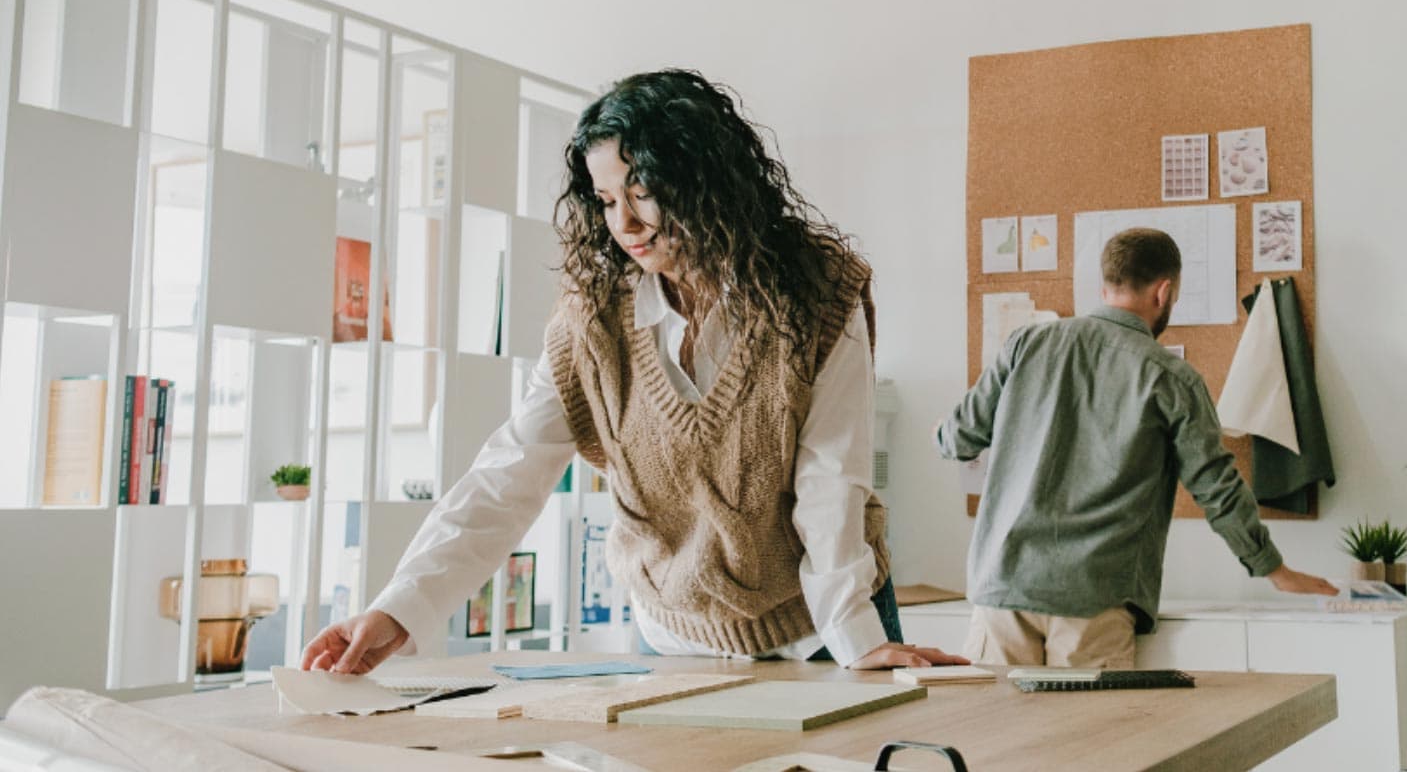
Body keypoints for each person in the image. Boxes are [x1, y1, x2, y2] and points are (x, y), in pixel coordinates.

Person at [303, 69, 964, 674]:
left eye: (643, 193)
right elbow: (509, 474)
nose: (624, 223)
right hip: (672, 636)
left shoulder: (816, 292)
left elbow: (830, 477)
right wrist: (399, 608)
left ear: (707, 180)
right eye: (606, 199)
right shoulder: (591, 323)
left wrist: (855, 638)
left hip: (821, 625)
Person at [935, 227, 1336, 669]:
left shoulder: (1026, 344)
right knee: (1091, 739)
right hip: (1094, 597)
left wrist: (947, 429)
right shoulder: (1171, 377)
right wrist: (1273, 569)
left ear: (1105, 285)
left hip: (1003, 589)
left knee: (1000, 737)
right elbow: (1216, 486)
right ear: (1164, 292)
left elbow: (957, 438)